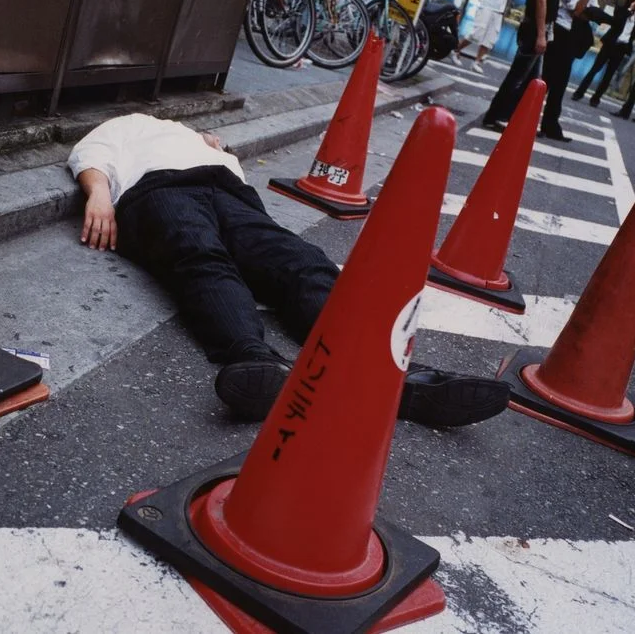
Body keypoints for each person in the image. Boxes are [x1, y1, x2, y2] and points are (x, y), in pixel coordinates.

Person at [68, 113, 511, 426]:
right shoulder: (132, 124)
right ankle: (254, 359)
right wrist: (100, 194)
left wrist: (213, 146)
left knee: (301, 262)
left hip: (231, 196)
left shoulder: (203, 141)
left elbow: (224, 164)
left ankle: (388, 373)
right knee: (200, 256)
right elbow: (90, 152)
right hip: (157, 190)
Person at [481, 0, 558, 131]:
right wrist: (541, 35)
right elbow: (541, 0)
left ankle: (506, 116)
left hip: (536, 28)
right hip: (534, 30)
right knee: (518, 77)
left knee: (530, 79)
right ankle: (497, 115)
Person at [538, 0, 604, 142]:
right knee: (547, 79)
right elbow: (577, 10)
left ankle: (550, 125)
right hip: (562, 31)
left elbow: (593, 10)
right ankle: (530, 118)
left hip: (572, 34)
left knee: (560, 83)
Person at [571, 0, 635, 107]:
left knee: (608, 75)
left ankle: (596, 98)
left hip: (621, 48)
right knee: (595, 69)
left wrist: (628, 40)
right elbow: (616, 22)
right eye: (634, 2)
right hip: (610, 45)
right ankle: (579, 92)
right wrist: (629, 11)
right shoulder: (620, 10)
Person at [450, 0, 526, 74]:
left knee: (490, 39)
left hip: (499, 11)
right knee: (476, 34)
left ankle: (477, 62)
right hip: (485, 6)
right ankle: (456, 50)